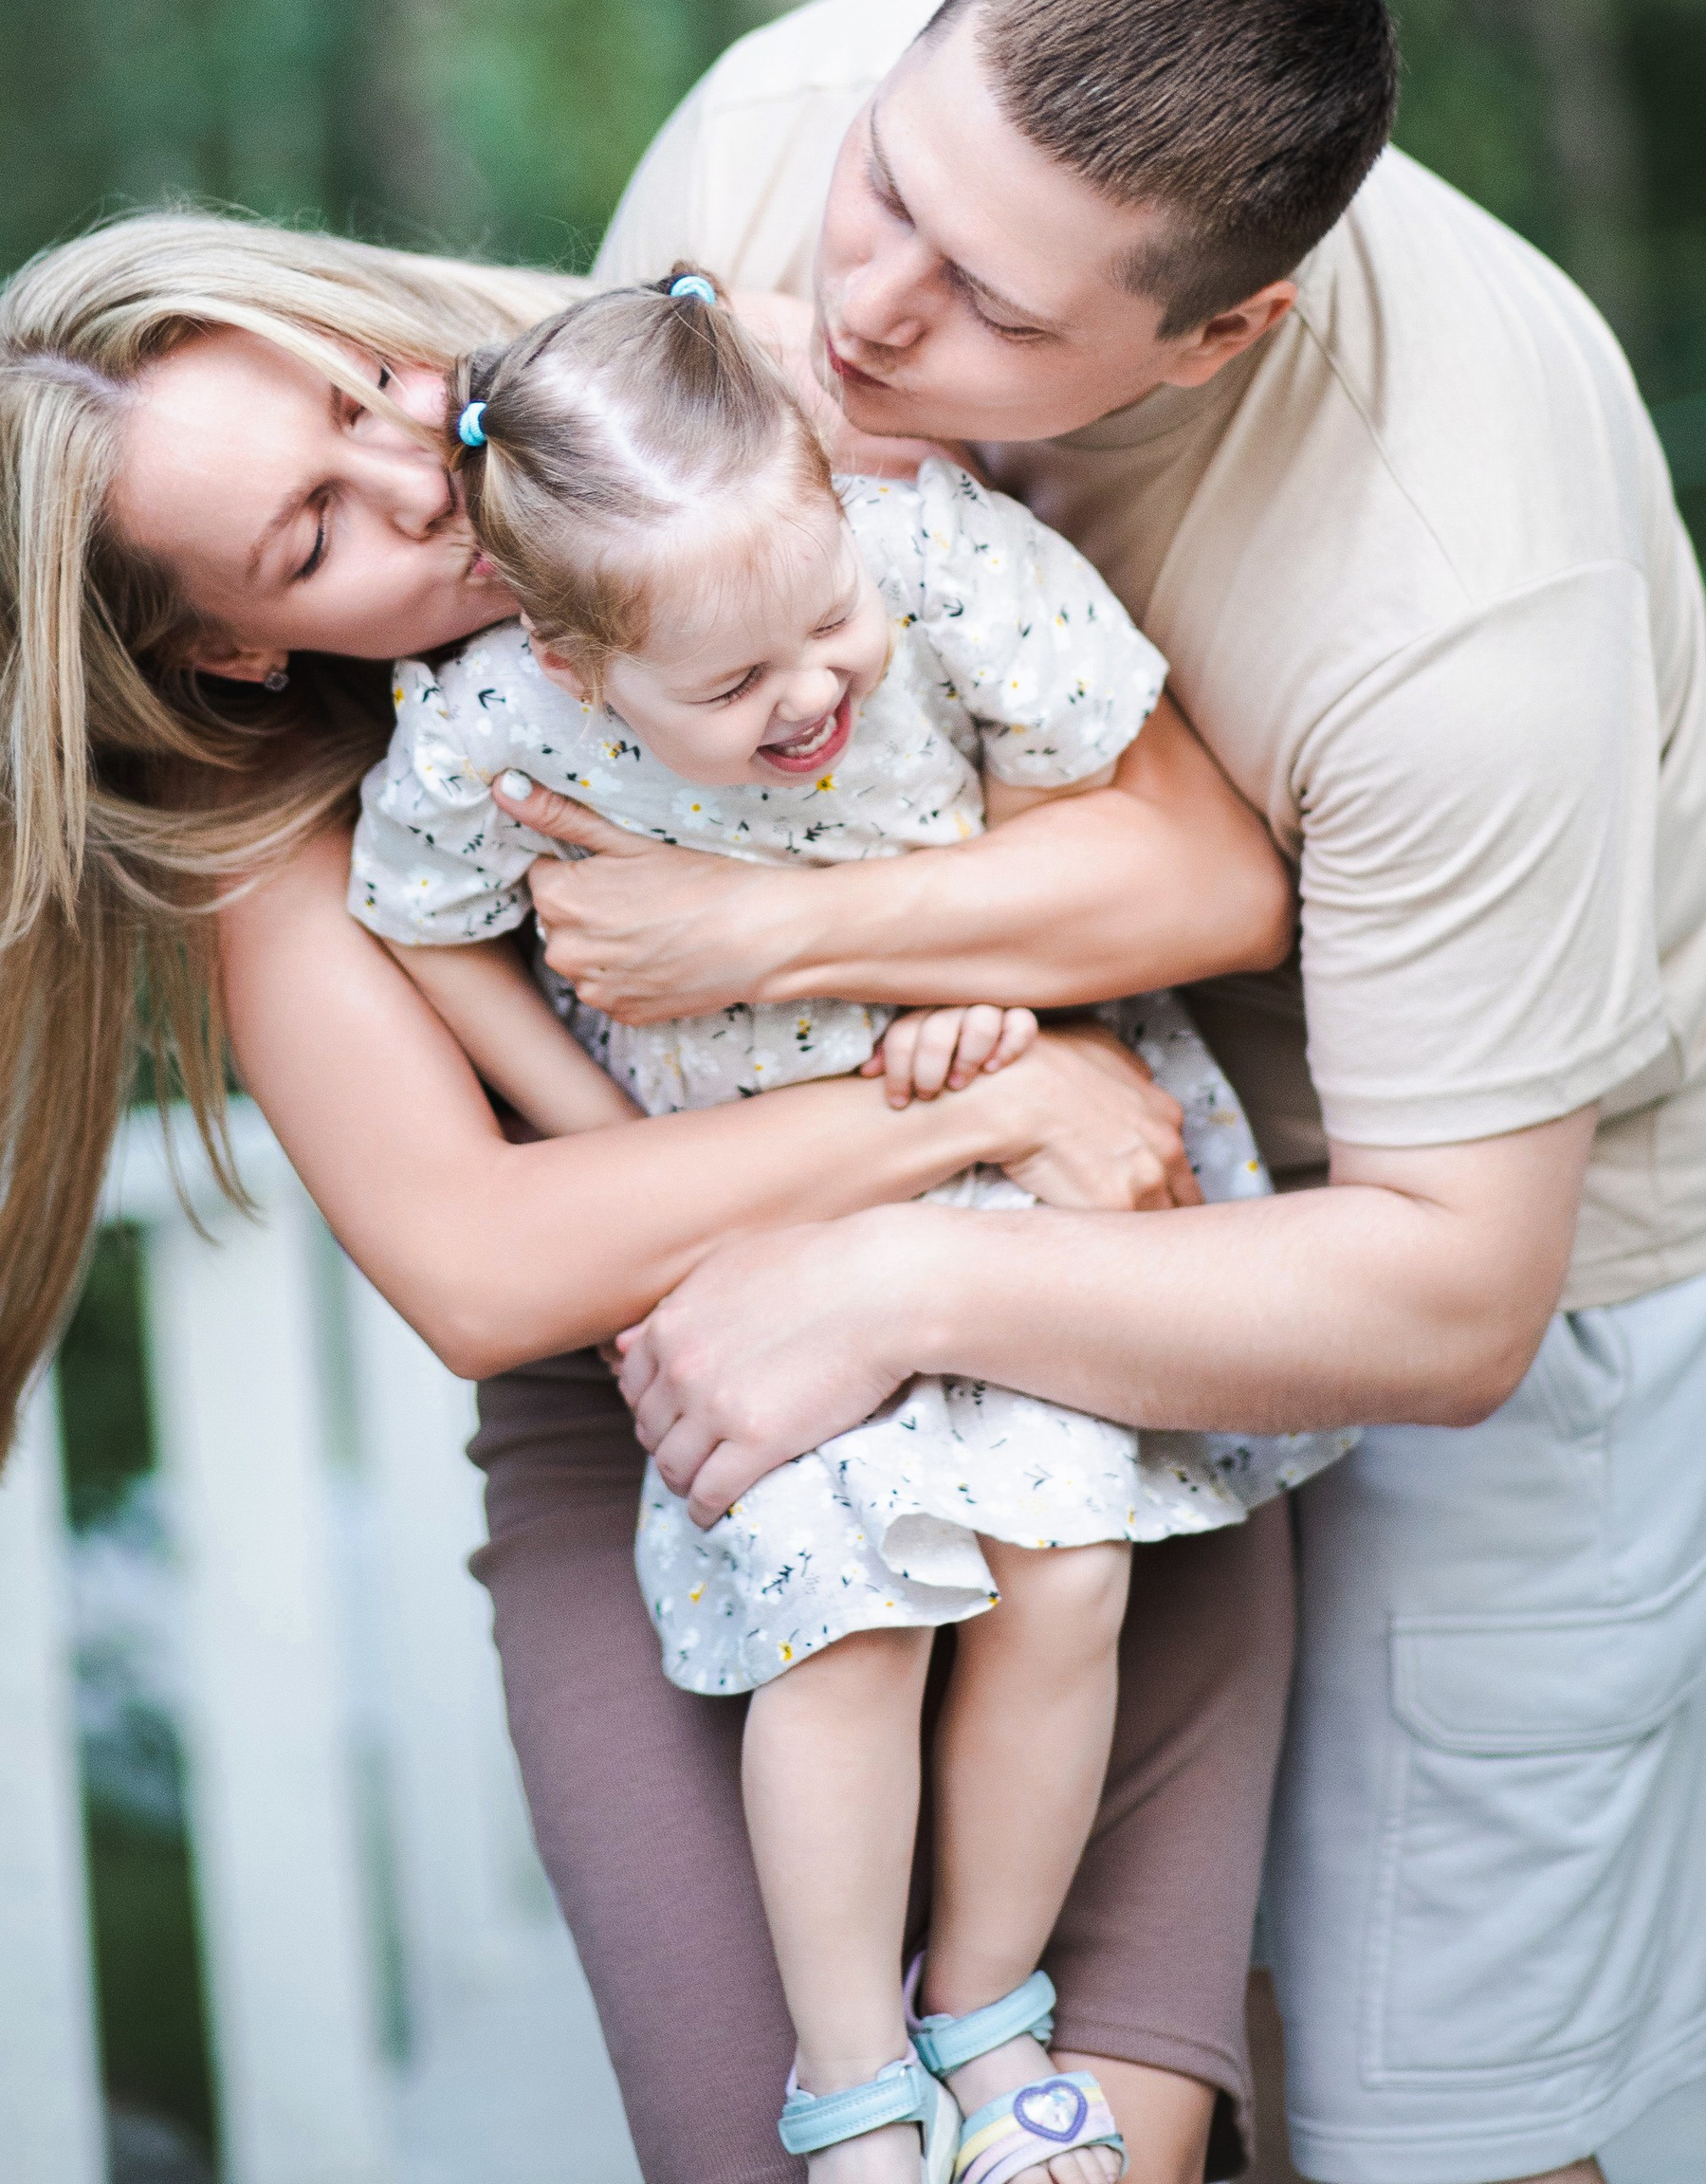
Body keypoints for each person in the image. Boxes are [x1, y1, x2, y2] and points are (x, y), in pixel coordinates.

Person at [546, 0, 1706, 2184]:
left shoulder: (1460, 599)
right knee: (1087, 2065)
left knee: (1426, 2126)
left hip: (1445, 1230)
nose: (858, 309)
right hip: (957, 1138)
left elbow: (1452, 1296)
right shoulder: (778, 123)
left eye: (991, 307)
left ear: (1216, 336)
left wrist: (891, 1275)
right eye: (889, 190)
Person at [0, 205, 1304, 2184]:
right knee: (763, 2135)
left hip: (1064, 1338)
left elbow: (1202, 875)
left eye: (367, 391)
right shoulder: (277, 825)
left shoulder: (697, 436)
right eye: (314, 536)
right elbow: (486, 1266)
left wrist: (760, 941)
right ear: (230, 646)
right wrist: (995, 1094)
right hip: (673, 1419)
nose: (417, 478)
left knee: (1113, 2136)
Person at [349, 266, 1341, 2184]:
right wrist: (599, 1130)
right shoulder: (492, 730)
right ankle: (854, 2081)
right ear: (574, 663)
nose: (810, 693)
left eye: (827, 628)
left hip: (1020, 1183)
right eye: (731, 688)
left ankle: (984, 2015)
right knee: (846, 1606)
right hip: (762, 1248)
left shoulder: (937, 564)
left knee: (1063, 1570)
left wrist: (1008, 999)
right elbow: (414, 922)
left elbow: (1086, 824)